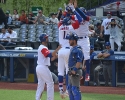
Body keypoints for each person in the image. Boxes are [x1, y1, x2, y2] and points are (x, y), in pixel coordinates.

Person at [57, 4, 81, 99]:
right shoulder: (70, 28)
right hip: (68, 51)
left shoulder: (60, 27)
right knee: (68, 71)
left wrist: (66, 11)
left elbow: (61, 19)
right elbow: (78, 21)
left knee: (60, 71)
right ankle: (67, 90)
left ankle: (60, 89)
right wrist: (73, 10)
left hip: (61, 50)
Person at [35, 33, 61, 100]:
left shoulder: (42, 47)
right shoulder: (43, 47)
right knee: (50, 83)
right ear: (43, 39)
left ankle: (37, 98)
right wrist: (57, 49)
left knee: (41, 85)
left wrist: (55, 56)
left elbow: (50, 59)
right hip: (42, 67)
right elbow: (49, 55)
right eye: (46, 37)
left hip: (40, 67)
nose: (47, 38)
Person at [72, 0, 91, 82]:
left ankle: (87, 73)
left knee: (87, 57)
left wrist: (77, 8)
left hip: (85, 39)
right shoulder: (75, 17)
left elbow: (83, 16)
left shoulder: (86, 18)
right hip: (77, 40)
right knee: (75, 57)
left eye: (82, 12)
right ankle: (78, 72)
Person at [66, 31, 83, 100]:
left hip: (75, 71)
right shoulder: (73, 49)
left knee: (75, 89)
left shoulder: (78, 50)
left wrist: (74, 70)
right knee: (69, 88)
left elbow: (79, 61)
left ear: (74, 40)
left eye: (70, 39)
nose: (69, 41)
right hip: (71, 70)